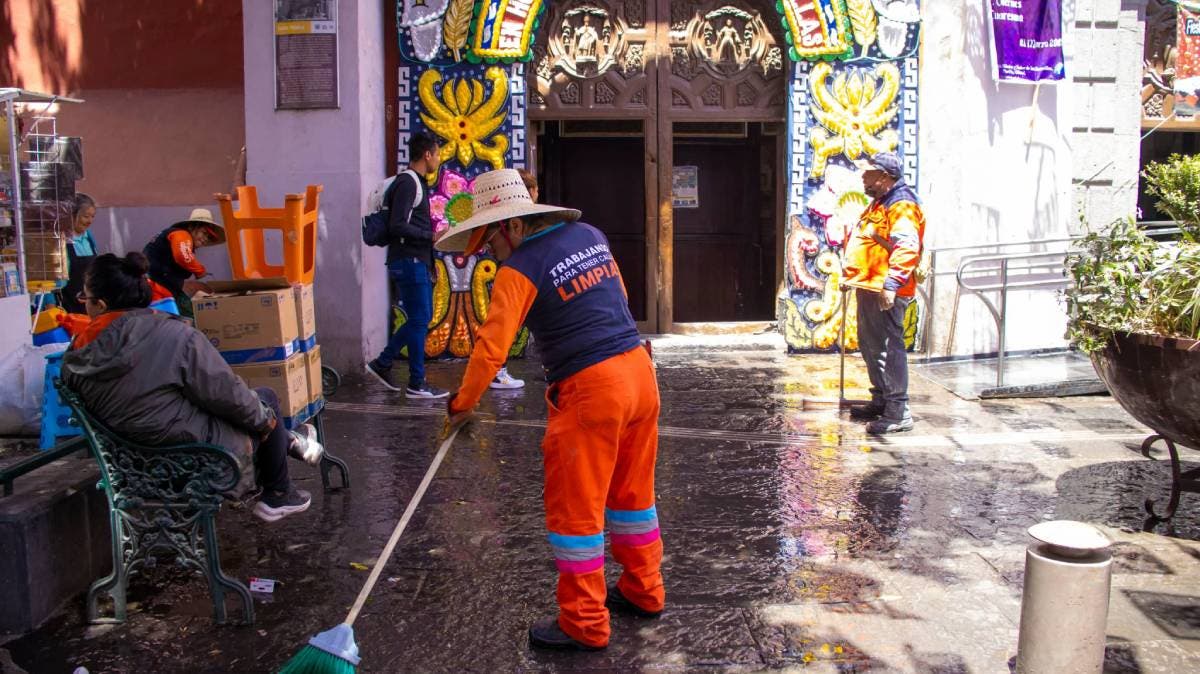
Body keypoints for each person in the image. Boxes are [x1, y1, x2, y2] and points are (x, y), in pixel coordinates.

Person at [438, 169, 664, 652]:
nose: (488, 253)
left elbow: (491, 348)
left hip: (591, 390)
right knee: (633, 498)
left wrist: (463, 403)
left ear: (512, 227)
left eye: (489, 242)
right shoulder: (591, 236)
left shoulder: (520, 268)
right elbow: (619, 299)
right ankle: (644, 590)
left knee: (576, 515)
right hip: (640, 374)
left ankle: (584, 622)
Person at [60, 252, 322, 522]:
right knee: (263, 403)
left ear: (100, 305)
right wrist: (267, 423)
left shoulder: (75, 357)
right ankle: (279, 489)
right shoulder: (174, 335)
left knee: (251, 408)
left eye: (84, 299)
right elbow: (227, 394)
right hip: (192, 461)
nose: (83, 305)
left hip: (130, 466)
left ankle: (291, 440)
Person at [843, 152, 926, 434]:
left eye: (868, 173)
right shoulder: (880, 203)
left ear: (884, 176)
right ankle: (880, 400)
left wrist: (892, 284)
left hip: (886, 289)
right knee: (872, 346)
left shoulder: (901, 205)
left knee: (889, 349)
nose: (862, 177)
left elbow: (906, 246)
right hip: (870, 287)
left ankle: (898, 411)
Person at [366, 132, 448, 398]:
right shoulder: (408, 183)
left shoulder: (415, 183)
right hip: (408, 261)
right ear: (427, 154)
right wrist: (430, 237)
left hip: (416, 260)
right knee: (420, 319)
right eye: (437, 154)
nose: (438, 159)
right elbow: (397, 225)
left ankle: (387, 365)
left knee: (417, 319)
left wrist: (430, 259)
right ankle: (414, 380)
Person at [487, 169, 538, 391]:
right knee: (508, 321)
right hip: (518, 274)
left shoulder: (505, 217)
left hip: (514, 272)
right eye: (535, 189)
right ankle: (497, 370)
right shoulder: (520, 219)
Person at [144, 209, 226, 319]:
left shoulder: (179, 237)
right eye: (204, 233)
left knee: (189, 316)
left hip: (163, 288)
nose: (205, 239)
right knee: (183, 319)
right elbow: (182, 256)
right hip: (157, 289)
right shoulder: (181, 234)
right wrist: (200, 270)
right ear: (192, 227)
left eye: (209, 237)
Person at [60, 193, 99, 313]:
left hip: (89, 303)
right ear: (72, 215)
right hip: (68, 305)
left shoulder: (88, 236)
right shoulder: (61, 239)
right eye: (86, 216)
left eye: (92, 216)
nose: (90, 221)